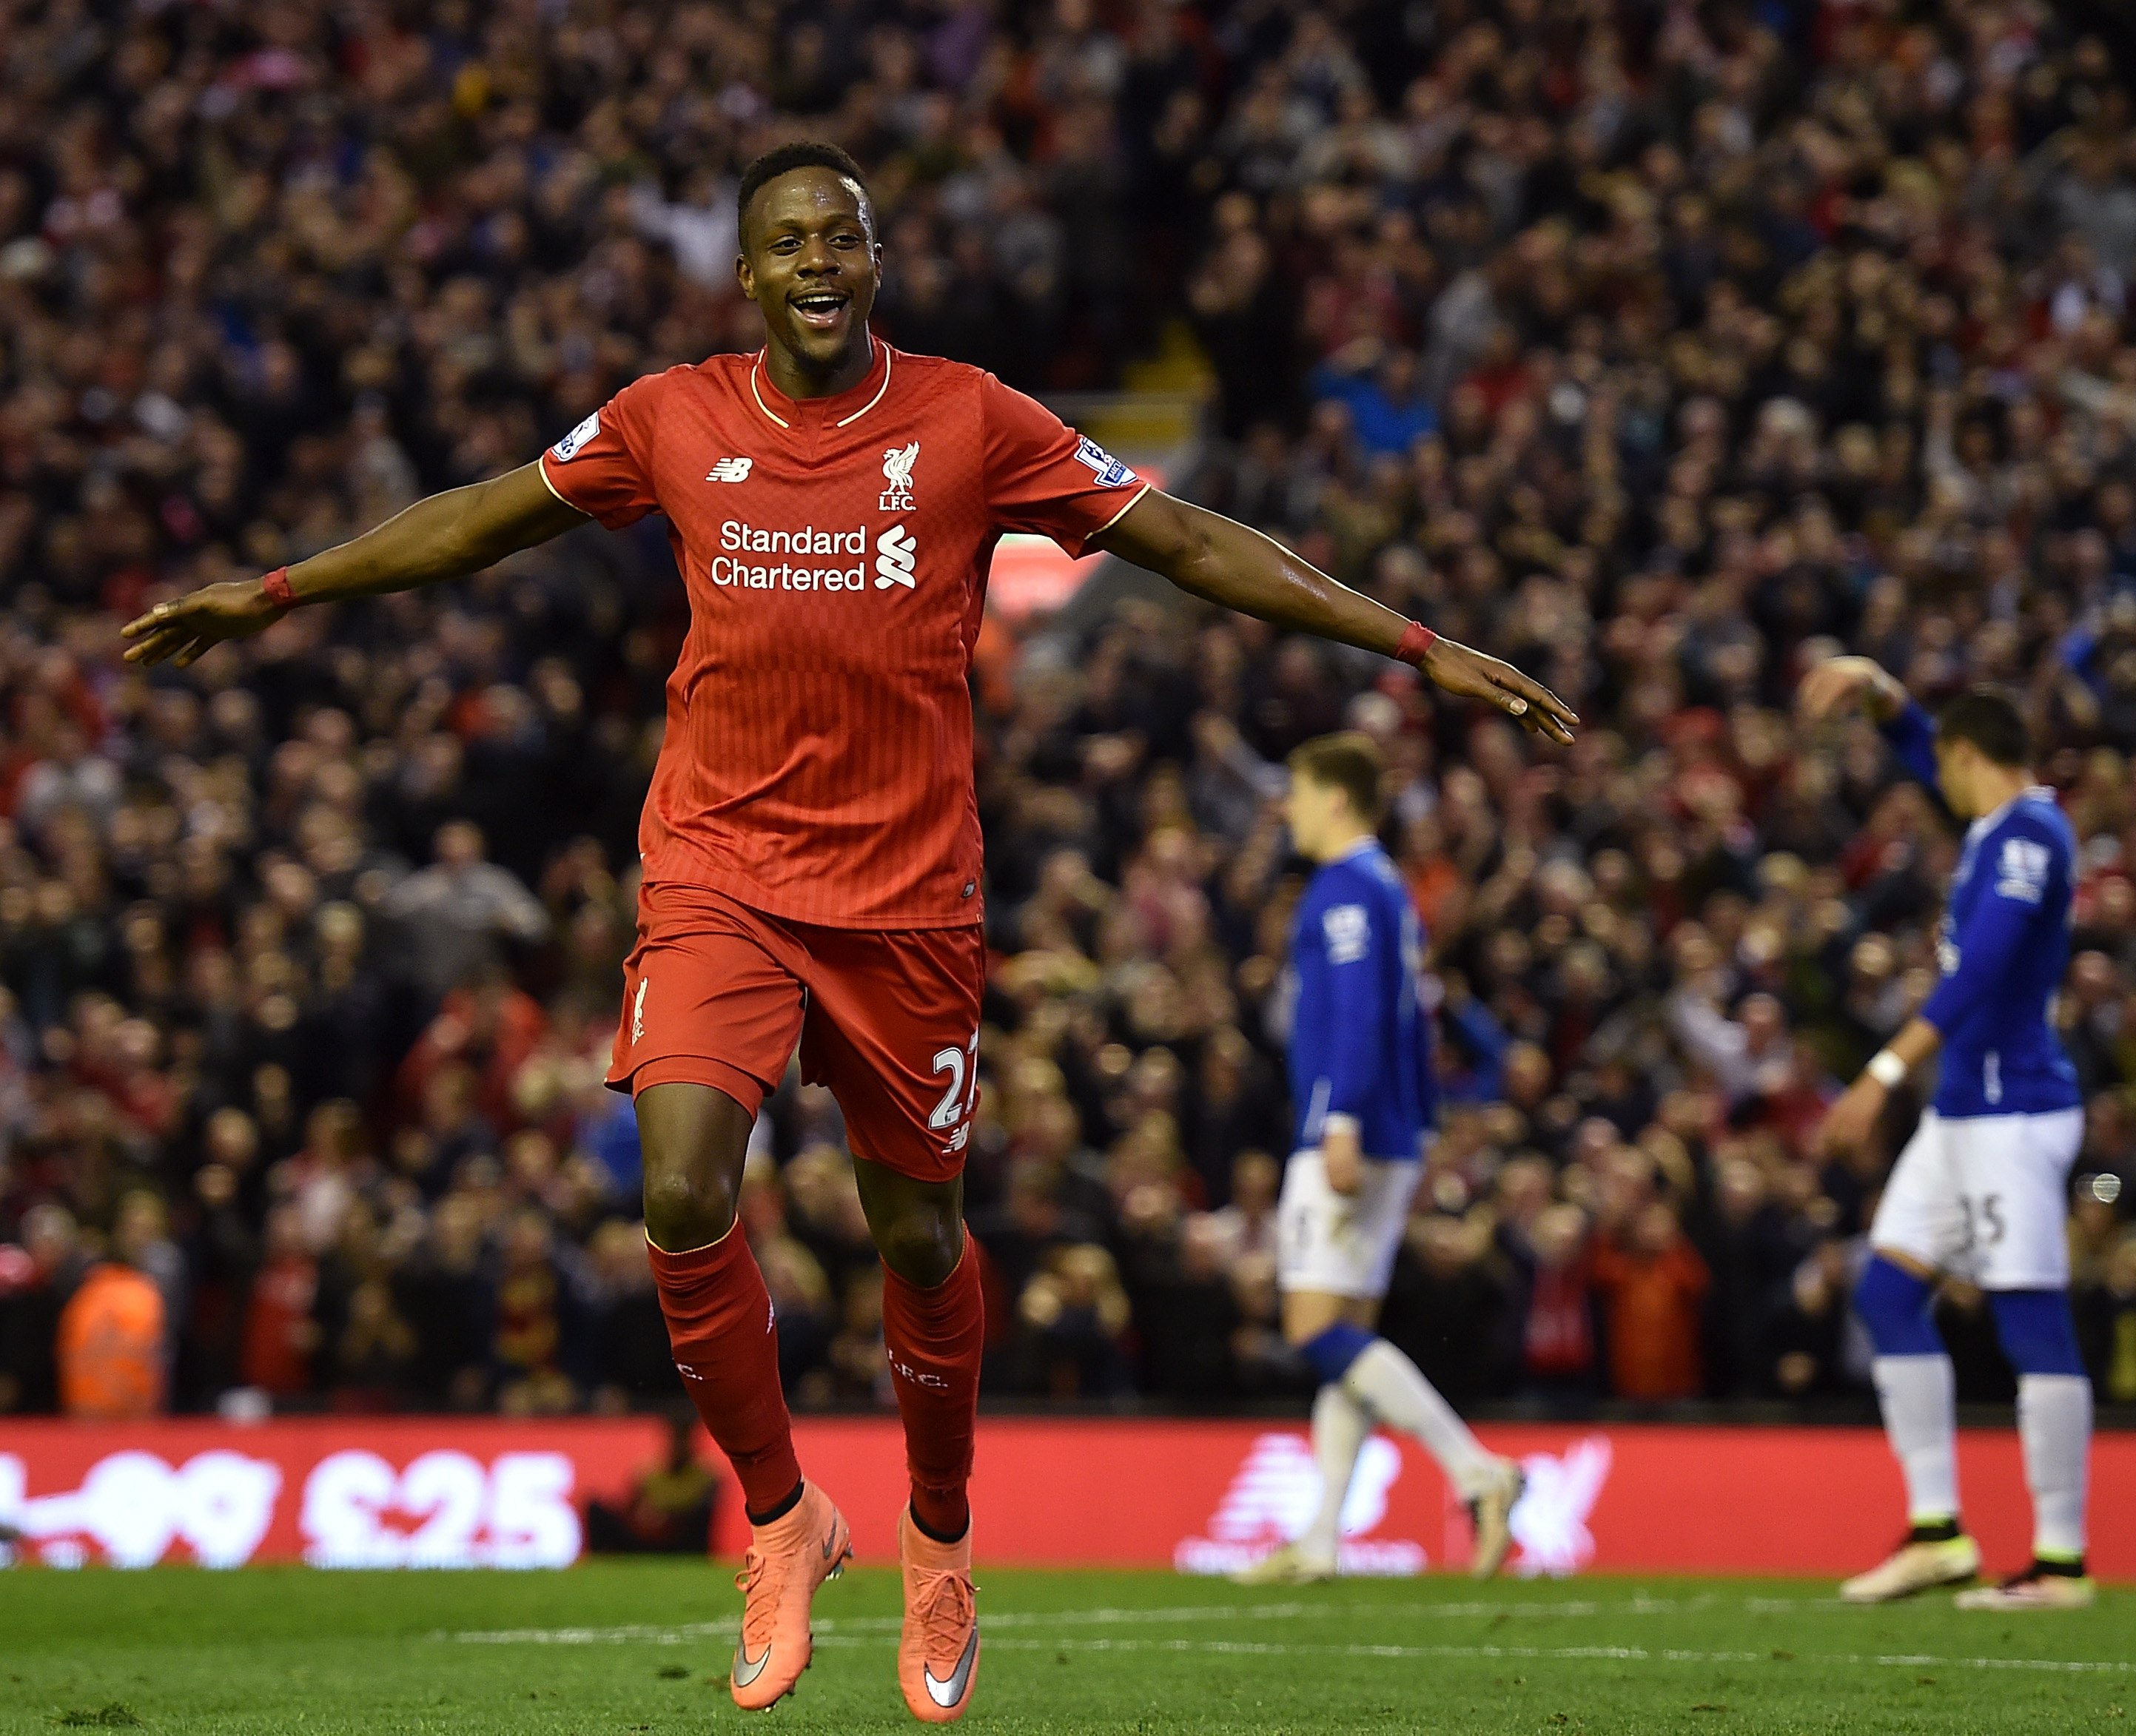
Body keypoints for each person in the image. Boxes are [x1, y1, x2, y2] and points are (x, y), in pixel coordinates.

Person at [122, 141, 1574, 1721]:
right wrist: (274, 594)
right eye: (788, 242)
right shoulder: (670, 415)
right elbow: (476, 521)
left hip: (905, 907)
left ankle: (938, 1543)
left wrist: (1416, 645)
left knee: (919, 1242)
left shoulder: (971, 421)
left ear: (874, 263)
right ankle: (781, 1517)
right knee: (682, 1191)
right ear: (748, 277)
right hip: (719, 875)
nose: (818, 260)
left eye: (844, 237)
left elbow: (1194, 543)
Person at [1804, 661, 2093, 1611]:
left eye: (1946, 761)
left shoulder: (2029, 836)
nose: (1937, 774)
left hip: (2015, 1114)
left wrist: (1884, 1073)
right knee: (1886, 1293)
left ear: (1970, 759)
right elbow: (1924, 743)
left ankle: (2060, 1562)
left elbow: (1982, 977)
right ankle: (1937, 1533)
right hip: (1964, 1111)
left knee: (2026, 1317)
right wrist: (1881, 693)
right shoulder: (1992, 822)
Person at [1232, 733, 1523, 1587]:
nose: (1286, 807)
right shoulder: (1384, 885)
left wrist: (1341, 1119)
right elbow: (1411, 1011)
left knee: (1314, 1330)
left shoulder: (1347, 888)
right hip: (1390, 1122)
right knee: (1347, 1338)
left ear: (1336, 799)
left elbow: (1359, 1013)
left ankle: (1480, 1473)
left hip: (1351, 1126)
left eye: (1297, 789)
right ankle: (1321, 1539)